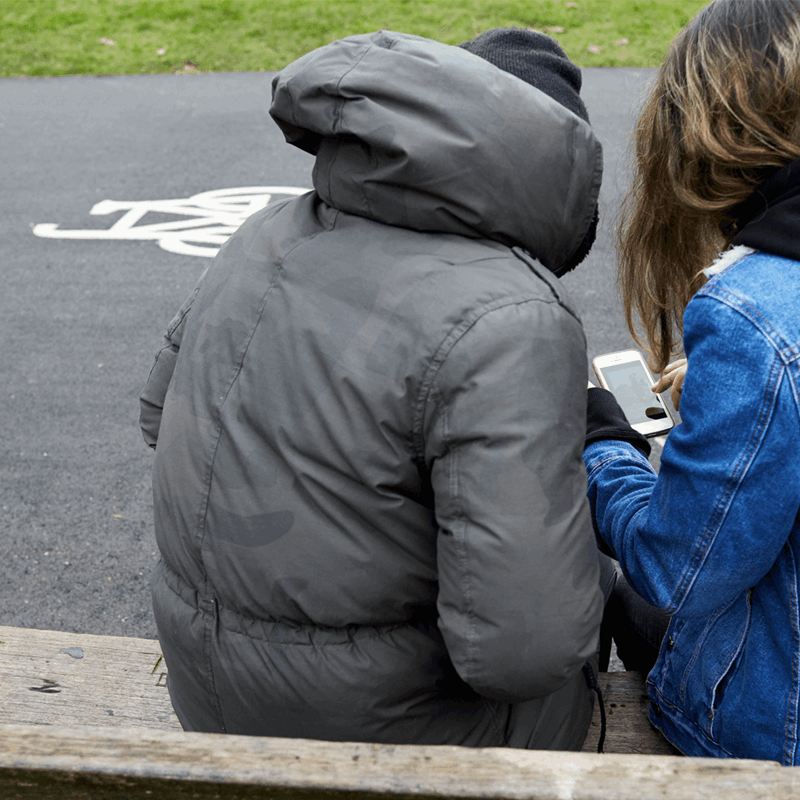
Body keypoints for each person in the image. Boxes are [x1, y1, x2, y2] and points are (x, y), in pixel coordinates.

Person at [140, 28, 608, 750]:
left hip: (209, 688)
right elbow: (525, 654)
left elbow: (155, 414)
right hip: (383, 737)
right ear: (551, 164)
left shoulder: (264, 232)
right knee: (603, 622)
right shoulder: (510, 317)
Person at [584, 0, 800, 763]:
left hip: (776, 735)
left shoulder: (756, 312)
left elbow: (683, 568)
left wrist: (604, 446)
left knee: (628, 600)